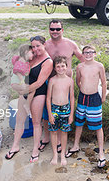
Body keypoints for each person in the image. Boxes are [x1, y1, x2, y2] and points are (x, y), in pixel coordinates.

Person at [38, 19, 84, 152]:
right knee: (47, 112)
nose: (55, 32)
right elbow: (36, 59)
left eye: (58, 29)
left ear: (62, 30)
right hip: (49, 82)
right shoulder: (45, 45)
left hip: (66, 84)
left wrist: (89, 76)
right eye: (52, 29)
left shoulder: (70, 44)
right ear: (49, 30)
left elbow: (83, 60)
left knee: (63, 111)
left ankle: (59, 140)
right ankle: (47, 137)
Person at [66, 45, 108, 168]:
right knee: (79, 123)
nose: (88, 54)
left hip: (95, 99)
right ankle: (75, 145)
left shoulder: (99, 66)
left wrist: (103, 97)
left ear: (95, 53)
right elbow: (78, 80)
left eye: (90, 52)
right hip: (82, 98)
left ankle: (101, 152)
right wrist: (83, 89)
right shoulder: (80, 66)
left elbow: (104, 82)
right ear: (82, 54)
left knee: (98, 126)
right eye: (85, 52)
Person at [26, 36, 53, 163]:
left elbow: (39, 83)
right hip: (26, 90)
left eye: (38, 46)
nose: (36, 49)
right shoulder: (32, 56)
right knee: (27, 119)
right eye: (33, 46)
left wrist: (23, 91)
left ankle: (35, 151)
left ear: (44, 44)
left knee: (36, 122)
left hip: (39, 92)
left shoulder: (48, 62)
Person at [5, 44, 34, 160]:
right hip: (20, 85)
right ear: (26, 52)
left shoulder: (24, 61)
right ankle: (15, 146)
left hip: (21, 87)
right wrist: (22, 81)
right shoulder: (22, 62)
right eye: (32, 52)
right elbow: (17, 71)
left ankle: (27, 104)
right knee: (30, 90)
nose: (34, 54)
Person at [46, 56, 74, 166]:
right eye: (58, 66)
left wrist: (71, 114)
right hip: (54, 109)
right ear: (54, 68)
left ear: (66, 67)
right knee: (53, 131)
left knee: (64, 132)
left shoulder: (70, 81)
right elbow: (48, 98)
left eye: (63, 66)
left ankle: (62, 154)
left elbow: (72, 97)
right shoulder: (52, 80)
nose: (60, 68)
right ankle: (54, 154)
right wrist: (49, 114)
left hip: (66, 109)